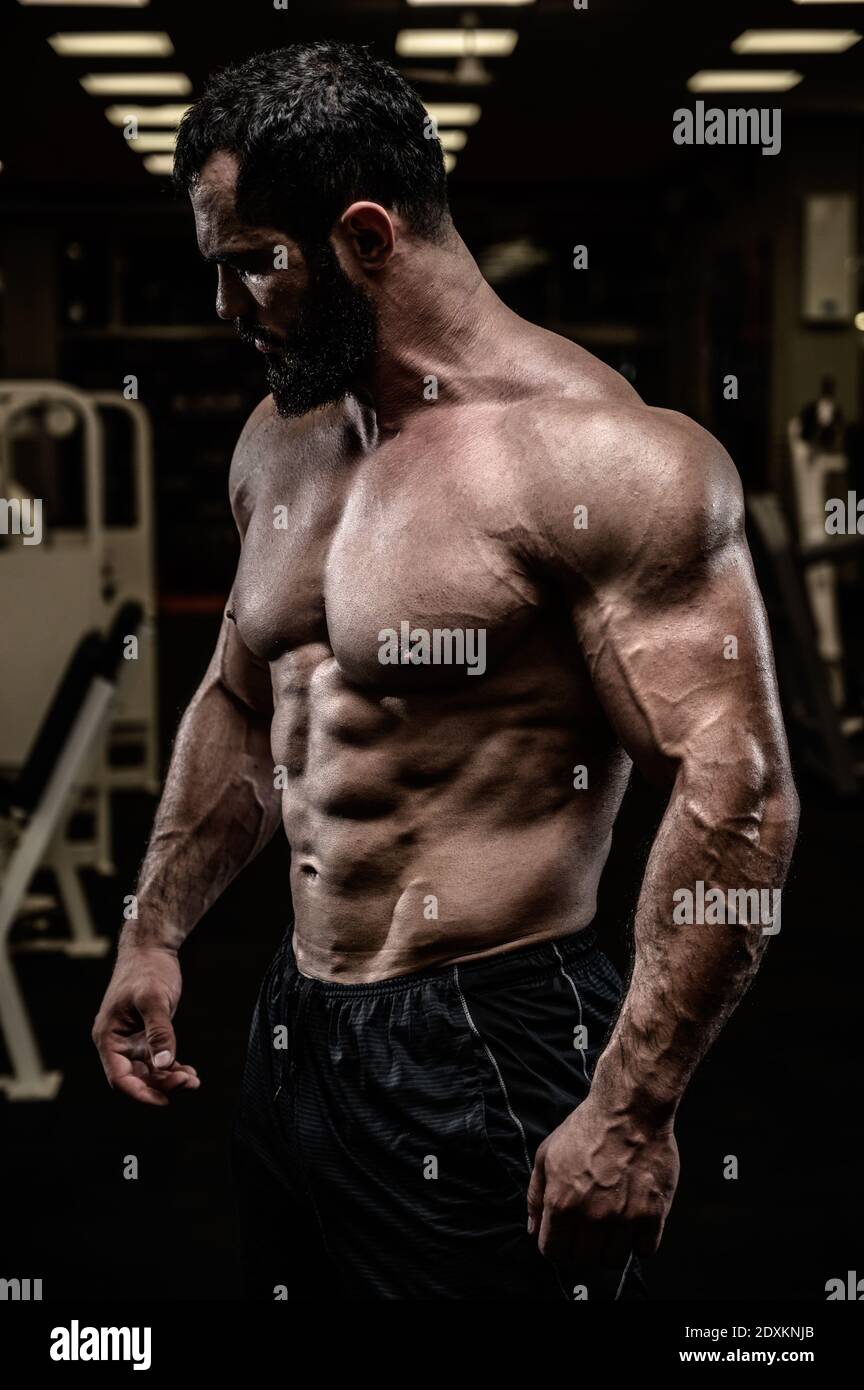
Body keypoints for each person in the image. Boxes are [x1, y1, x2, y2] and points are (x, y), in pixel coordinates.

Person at [92, 42, 799, 1301]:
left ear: (366, 236)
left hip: (491, 1036)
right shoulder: (280, 438)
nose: (226, 306)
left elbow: (736, 794)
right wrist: (154, 929)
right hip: (298, 1018)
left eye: (253, 262)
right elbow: (242, 701)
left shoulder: (601, 459)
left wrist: (632, 1108)